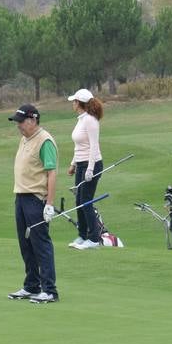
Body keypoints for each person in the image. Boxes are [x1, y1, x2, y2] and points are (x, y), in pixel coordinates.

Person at [7, 103, 58, 304]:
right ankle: (31, 286)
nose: (18, 125)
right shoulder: (24, 139)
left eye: (21, 121)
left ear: (33, 120)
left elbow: (51, 172)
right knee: (25, 244)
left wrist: (49, 204)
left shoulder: (45, 141)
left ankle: (49, 290)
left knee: (40, 244)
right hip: (20, 196)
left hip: (36, 199)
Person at [65, 88, 104, 250]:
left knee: (86, 201)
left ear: (80, 103)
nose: (72, 104)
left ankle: (94, 239)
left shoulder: (90, 120)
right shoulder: (81, 119)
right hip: (81, 164)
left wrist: (90, 169)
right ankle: (82, 236)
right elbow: (79, 146)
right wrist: (73, 164)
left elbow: (94, 147)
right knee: (79, 201)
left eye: (74, 101)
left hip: (92, 164)